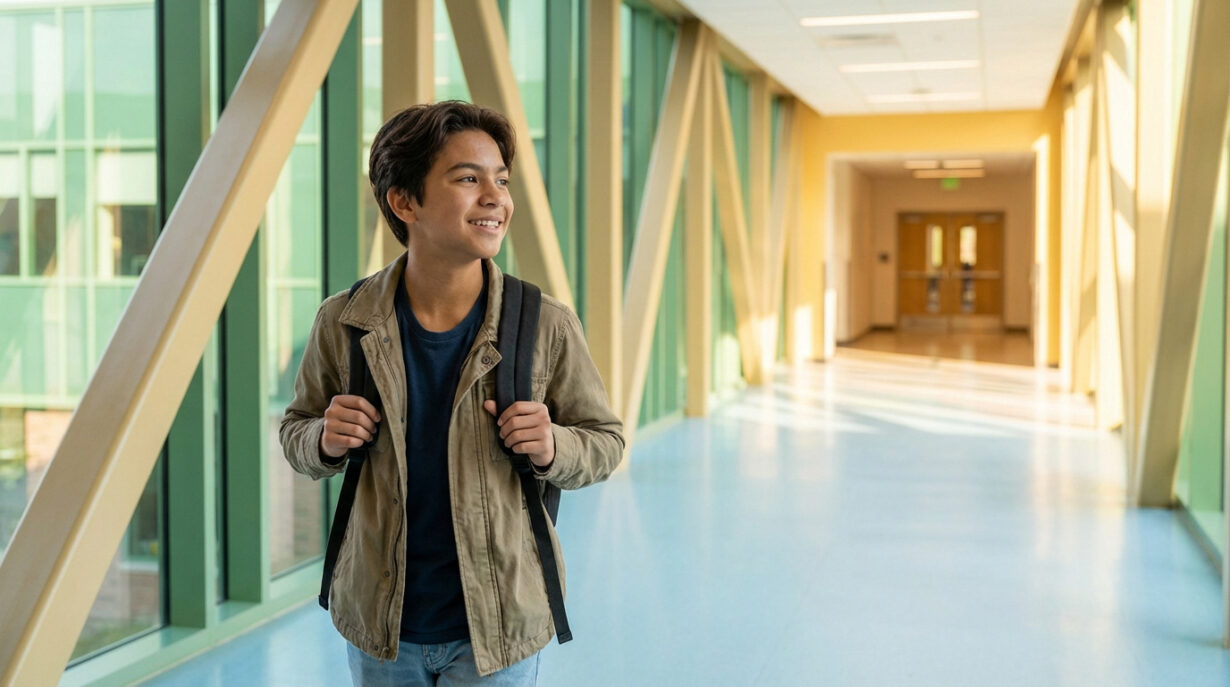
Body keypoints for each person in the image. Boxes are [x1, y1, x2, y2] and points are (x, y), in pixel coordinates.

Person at [279, 100, 625, 686]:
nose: (495, 197)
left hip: (499, 628)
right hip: (382, 629)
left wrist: (552, 446)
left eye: (502, 180)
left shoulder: (544, 324)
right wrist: (322, 437)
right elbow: (296, 432)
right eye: (468, 178)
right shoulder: (344, 320)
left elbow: (605, 443)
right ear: (404, 201)